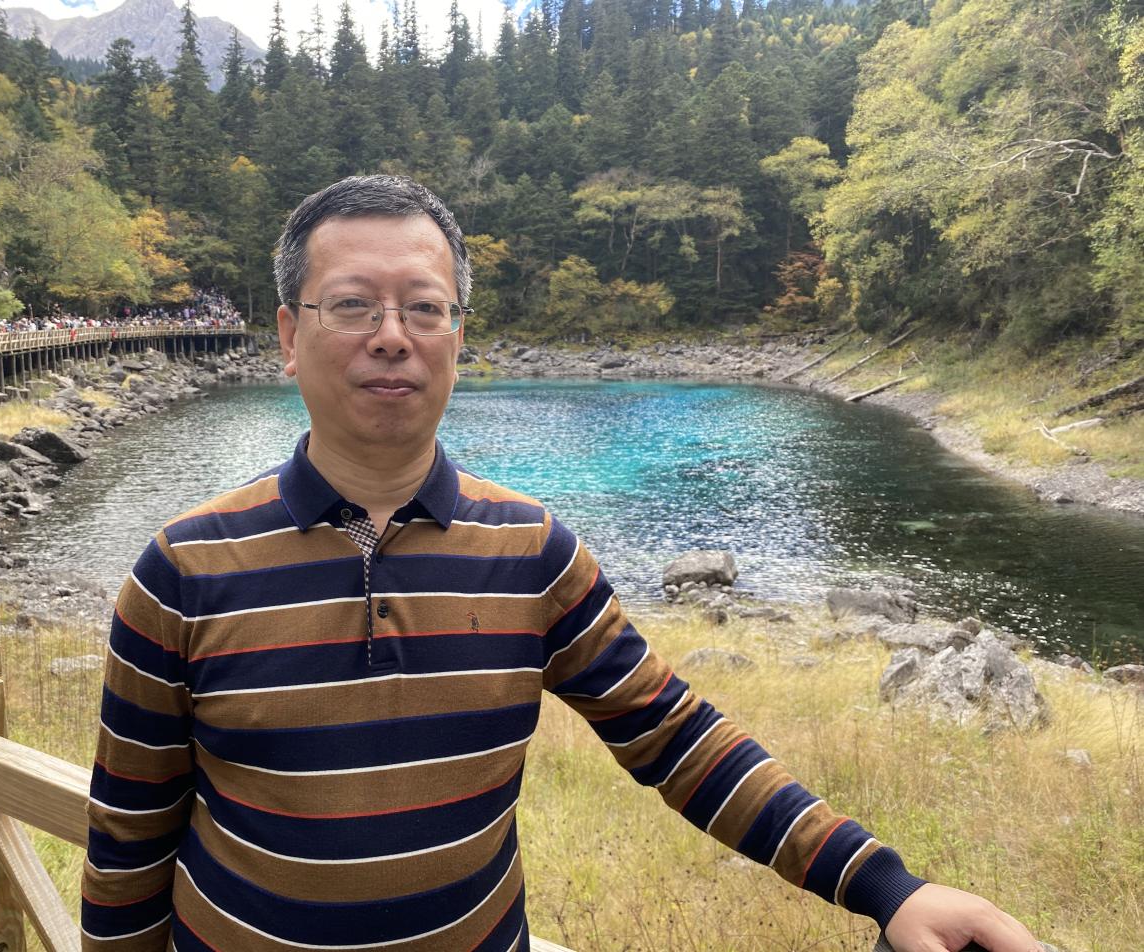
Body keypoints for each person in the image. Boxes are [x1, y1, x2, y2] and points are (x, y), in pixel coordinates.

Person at [81, 175, 1040, 952]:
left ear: (457, 338)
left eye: (424, 308)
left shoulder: (532, 553)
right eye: (352, 305)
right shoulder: (181, 571)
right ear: (290, 336)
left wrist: (886, 888)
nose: (392, 336)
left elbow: (673, 735)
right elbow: (129, 835)